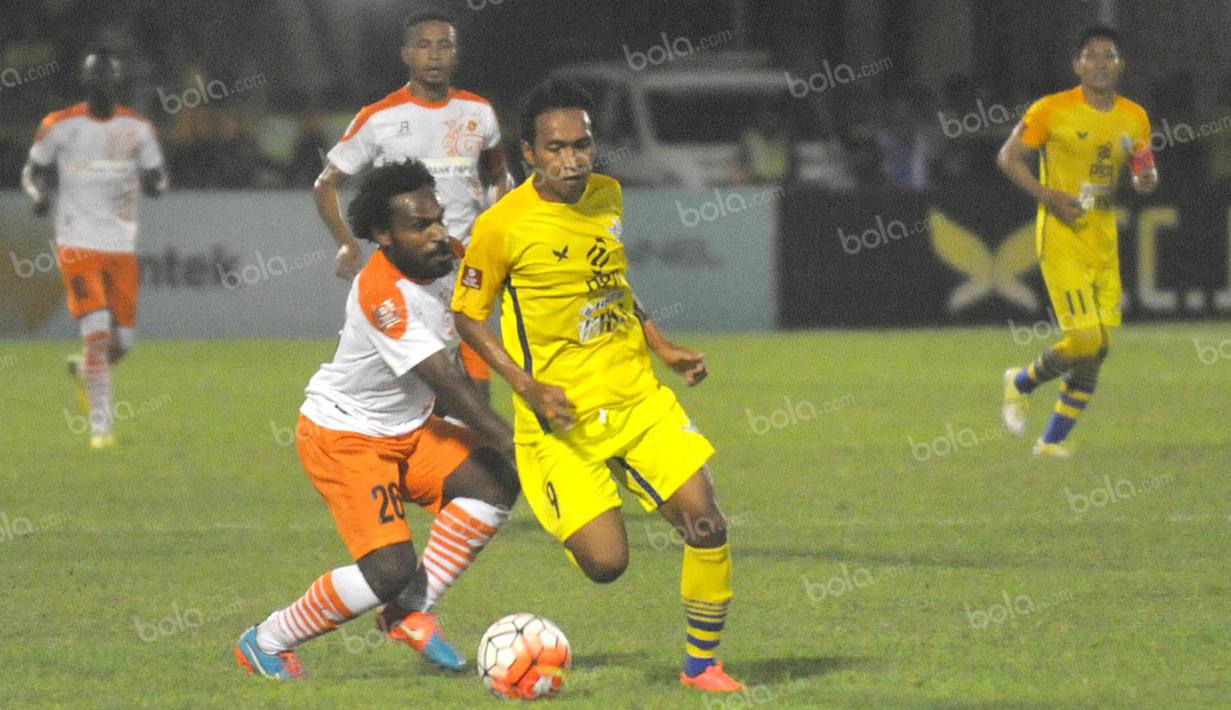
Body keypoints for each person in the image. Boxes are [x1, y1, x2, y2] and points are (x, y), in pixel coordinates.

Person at [452, 80, 745, 694]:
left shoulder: (608, 196)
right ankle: (581, 508)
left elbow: (609, 282)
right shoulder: (501, 227)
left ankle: (702, 668)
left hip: (635, 398)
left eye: (582, 145)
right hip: (559, 422)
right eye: (556, 148)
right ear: (529, 153)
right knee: (607, 565)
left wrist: (659, 344)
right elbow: (467, 315)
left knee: (707, 525)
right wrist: (524, 385)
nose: (572, 160)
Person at [236, 161, 519, 679]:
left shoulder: (451, 258)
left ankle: (409, 612)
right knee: (388, 569)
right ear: (384, 236)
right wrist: (514, 439)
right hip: (346, 435)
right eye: (420, 226)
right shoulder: (383, 295)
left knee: (494, 482)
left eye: (438, 220)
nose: (438, 234)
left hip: (407, 428)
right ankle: (268, 639)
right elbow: (448, 385)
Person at [314, 8, 510, 403]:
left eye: (444, 45)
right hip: (406, 275)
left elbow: (501, 178)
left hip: (464, 269)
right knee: (416, 394)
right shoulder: (379, 117)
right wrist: (347, 242)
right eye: (424, 45)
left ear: (456, 54)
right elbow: (326, 184)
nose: (434, 55)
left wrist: (496, 226)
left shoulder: (479, 112)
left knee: (477, 394)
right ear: (406, 54)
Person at [998, 26, 1158, 457]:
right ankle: (1021, 381)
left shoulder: (1134, 116)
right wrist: (1049, 196)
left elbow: (1143, 163)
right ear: (1078, 65)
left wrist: (1145, 178)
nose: (1102, 62)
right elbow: (1008, 157)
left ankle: (1051, 443)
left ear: (1120, 65)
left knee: (1099, 346)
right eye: (1092, 55)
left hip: (1103, 236)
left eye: (1110, 55)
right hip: (1062, 233)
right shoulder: (1052, 109)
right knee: (1085, 339)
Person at [21, 49, 167, 449]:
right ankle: (101, 430)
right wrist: (37, 194)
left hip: (120, 243)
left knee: (122, 343)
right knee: (97, 334)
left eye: (107, 78)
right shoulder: (59, 125)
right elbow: (32, 170)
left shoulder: (138, 128)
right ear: (84, 83)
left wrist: (156, 185)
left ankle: (87, 372)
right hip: (76, 241)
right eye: (93, 78)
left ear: (117, 83)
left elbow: (158, 176)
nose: (100, 84)